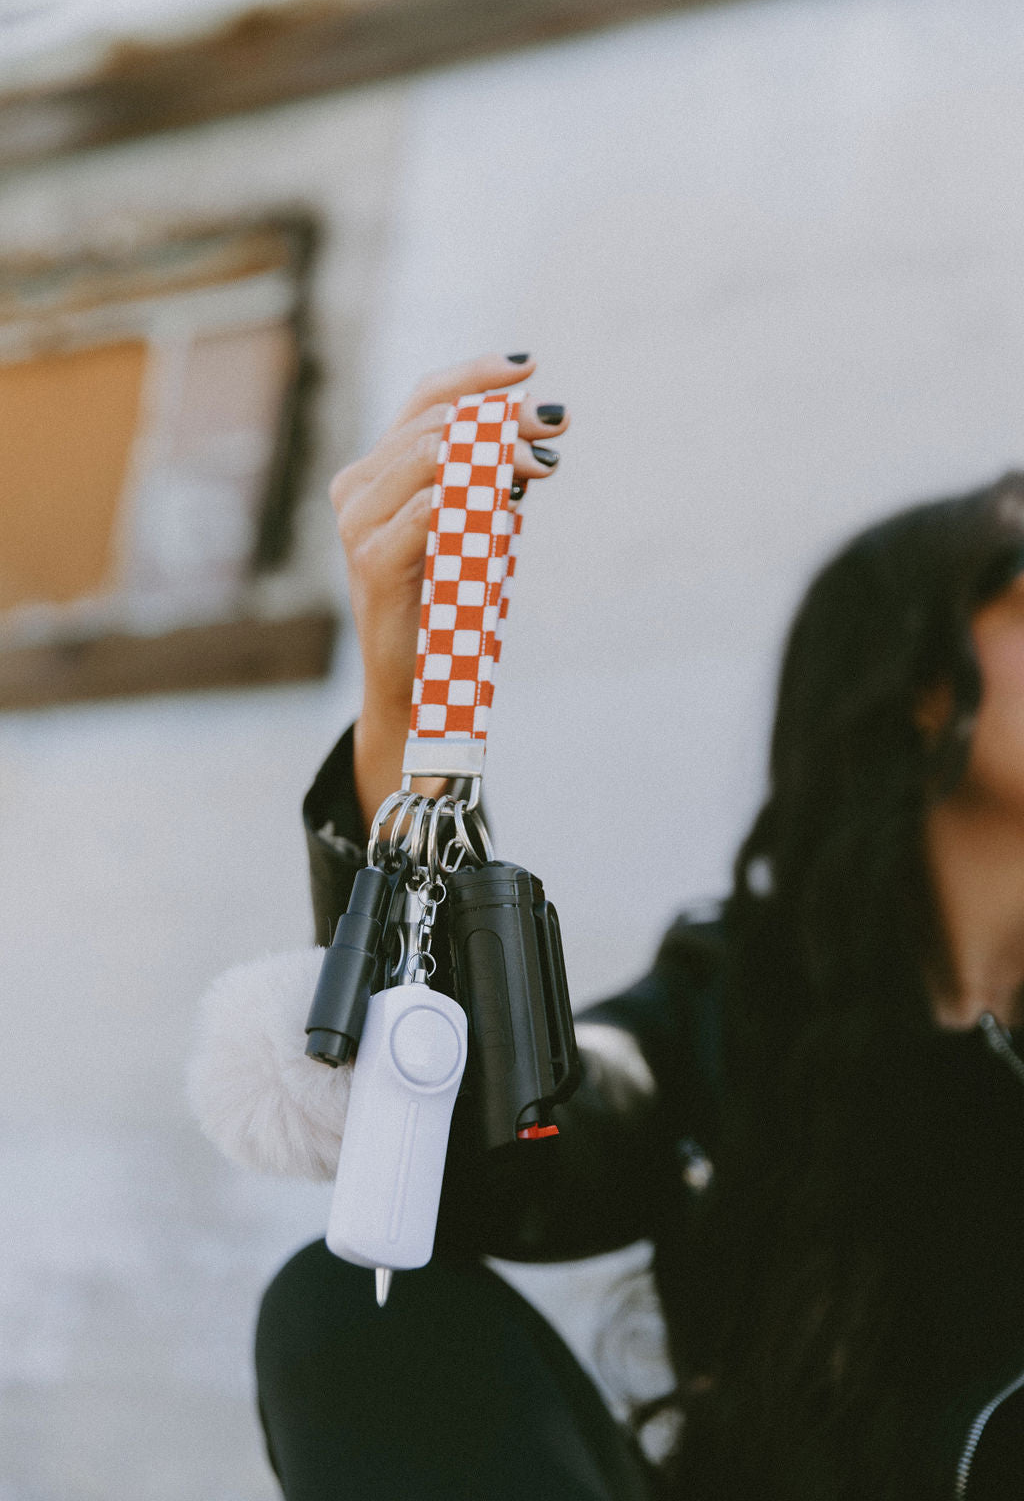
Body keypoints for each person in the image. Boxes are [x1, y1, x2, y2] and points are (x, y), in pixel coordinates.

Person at [254, 353, 1024, 1501]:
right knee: (352, 1306)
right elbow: (511, 1158)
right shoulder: (735, 1009)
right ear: (921, 689)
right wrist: (412, 726)